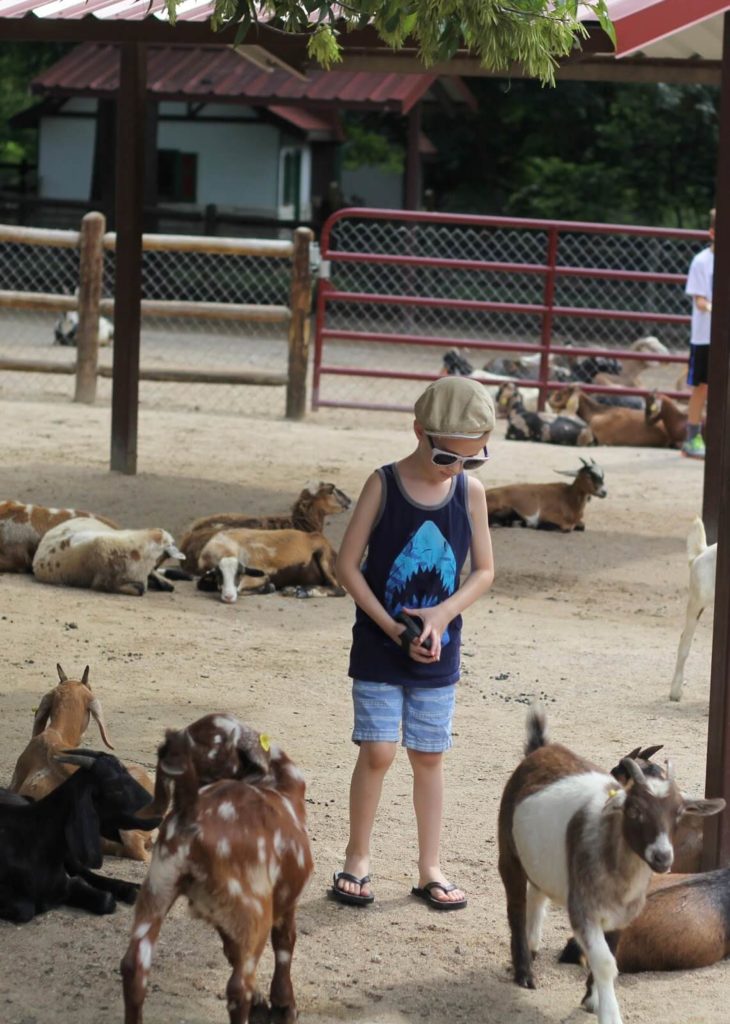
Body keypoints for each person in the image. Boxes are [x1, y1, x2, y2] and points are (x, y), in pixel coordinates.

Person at [332, 376, 495, 910]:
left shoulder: (470, 493)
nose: (457, 470)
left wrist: (442, 616)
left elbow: (484, 571)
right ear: (419, 432)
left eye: (473, 460)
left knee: (429, 754)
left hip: (437, 646)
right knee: (377, 751)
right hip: (382, 644)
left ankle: (430, 866)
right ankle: (358, 856)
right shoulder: (383, 484)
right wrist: (390, 627)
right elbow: (346, 565)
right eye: (449, 456)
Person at [682, 208, 715, 459]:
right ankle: (692, 438)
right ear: (712, 233)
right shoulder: (702, 261)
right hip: (706, 336)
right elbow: (701, 301)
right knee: (702, 386)